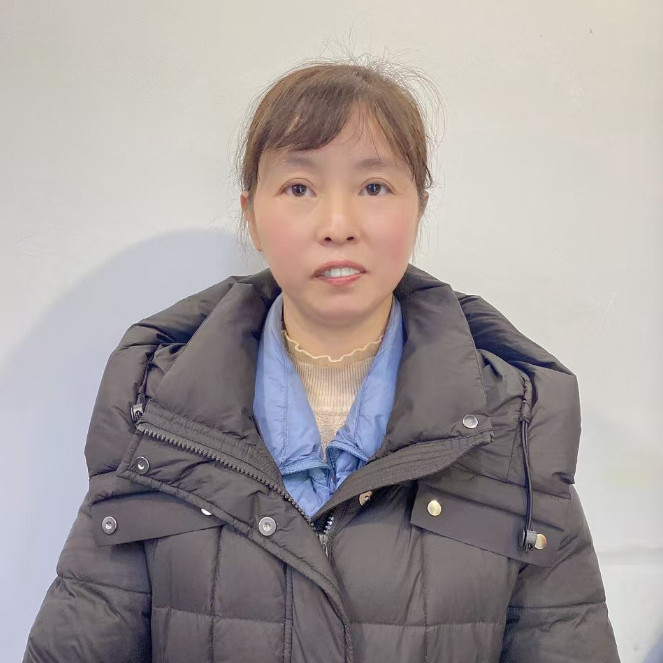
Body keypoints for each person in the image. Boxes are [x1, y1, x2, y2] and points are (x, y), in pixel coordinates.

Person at [23, 59, 621, 663]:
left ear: (418, 208)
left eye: (374, 187)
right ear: (252, 215)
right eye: (299, 188)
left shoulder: (512, 423)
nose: (338, 225)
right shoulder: (156, 414)